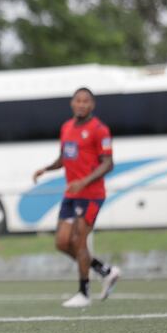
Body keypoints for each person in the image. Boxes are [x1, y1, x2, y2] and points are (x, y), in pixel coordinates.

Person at [33, 87, 121, 308]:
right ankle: (105, 271)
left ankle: (84, 293)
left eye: (86, 101)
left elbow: (108, 163)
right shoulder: (66, 127)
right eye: (78, 100)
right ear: (72, 103)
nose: (82, 104)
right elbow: (64, 158)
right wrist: (46, 169)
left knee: (78, 241)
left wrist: (84, 181)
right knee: (62, 242)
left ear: (92, 105)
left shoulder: (99, 129)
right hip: (71, 193)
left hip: (91, 195)